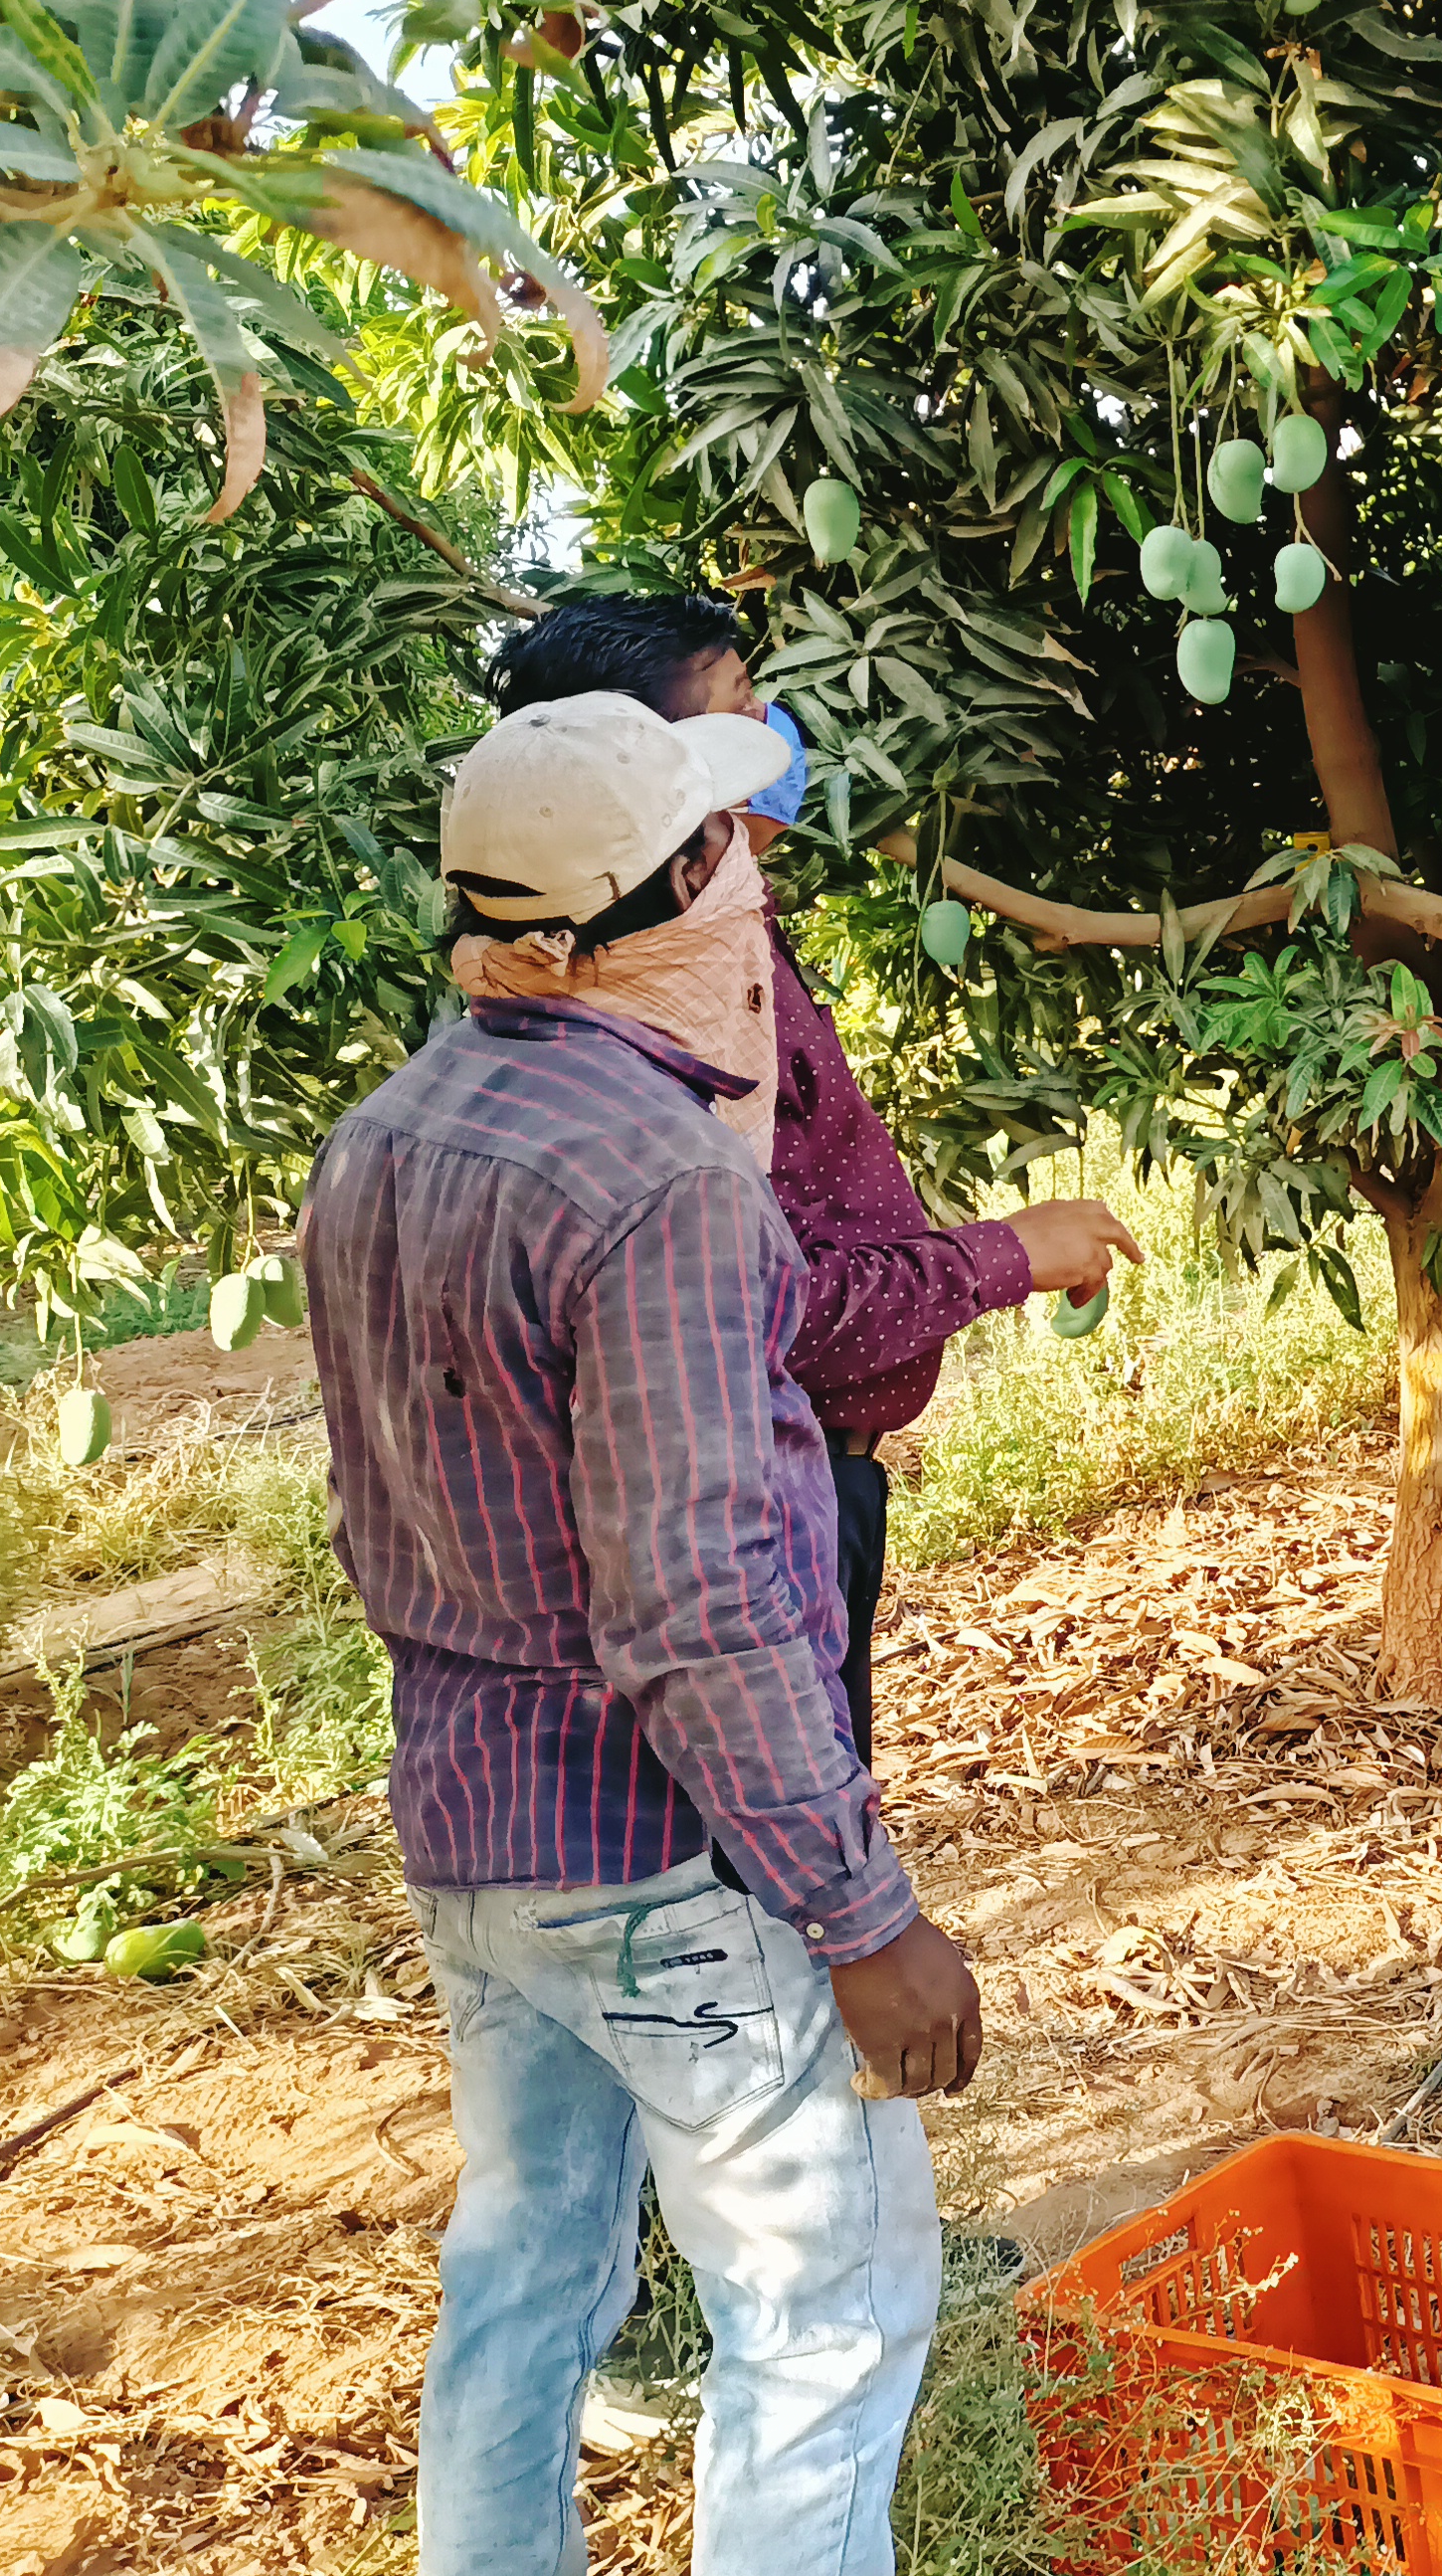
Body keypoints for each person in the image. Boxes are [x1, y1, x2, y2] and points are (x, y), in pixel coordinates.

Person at [305, 692, 984, 2574]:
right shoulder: (660, 1183)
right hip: (662, 1855)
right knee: (822, 2317)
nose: (757, 882)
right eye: (726, 852)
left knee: (526, 2268)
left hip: (471, 1833)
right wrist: (864, 1919)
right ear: (657, 905)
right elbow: (697, 1599)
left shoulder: (384, 1137)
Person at [485, 593, 1137, 1766]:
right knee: (786, 1900)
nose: (780, 735)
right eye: (745, 710)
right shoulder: (669, 1016)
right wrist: (1006, 1257)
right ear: (656, 784)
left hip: (783, 1498)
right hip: (755, 1520)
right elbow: (766, 1318)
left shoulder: (703, 957)